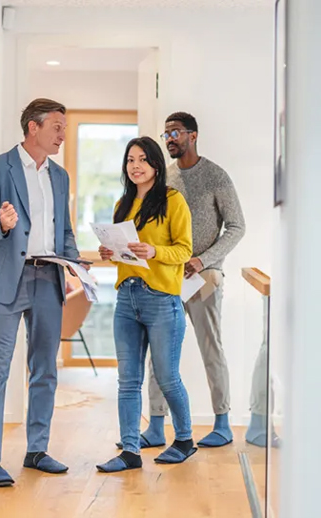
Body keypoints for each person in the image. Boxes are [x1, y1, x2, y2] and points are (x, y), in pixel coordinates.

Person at [0, 98, 87, 487]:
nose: (62, 135)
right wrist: (0, 225)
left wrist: (74, 265)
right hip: (7, 280)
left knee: (45, 370)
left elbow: (63, 230)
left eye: (64, 128)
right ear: (32, 128)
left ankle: (37, 450)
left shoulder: (60, 176)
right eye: (56, 127)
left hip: (48, 278)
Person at [117, 112, 246, 450]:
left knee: (210, 345)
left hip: (204, 275)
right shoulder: (166, 178)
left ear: (193, 135)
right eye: (166, 134)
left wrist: (203, 260)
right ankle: (156, 424)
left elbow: (236, 227)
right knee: (157, 356)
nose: (170, 138)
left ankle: (222, 422)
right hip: (167, 276)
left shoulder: (216, 176)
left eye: (176, 132)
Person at [95, 136, 197, 473]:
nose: (135, 166)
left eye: (142, 160)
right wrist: (110, 254)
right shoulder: (122, 204)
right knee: (127, 380)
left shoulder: (172, 200)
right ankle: (130, 451)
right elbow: (124, 257)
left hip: (161, 299)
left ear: (155, 164)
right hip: (127, 296)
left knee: (167, 377)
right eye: (130, 160)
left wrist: (155, 252)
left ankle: (184, 439)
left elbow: (184, 250)